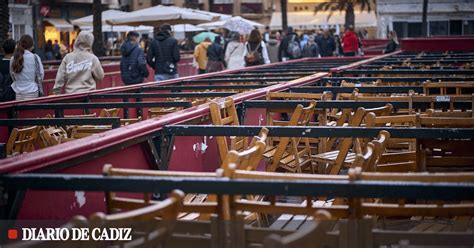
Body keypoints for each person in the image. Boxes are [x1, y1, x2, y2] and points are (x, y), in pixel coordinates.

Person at [10, 35, 44, 100]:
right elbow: (41, 74)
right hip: (32, 90)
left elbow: (12, 75)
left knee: (20, 110)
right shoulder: (35, 57)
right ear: (31, 46)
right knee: (32, 110)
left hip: (18, 91)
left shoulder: (13, 58)